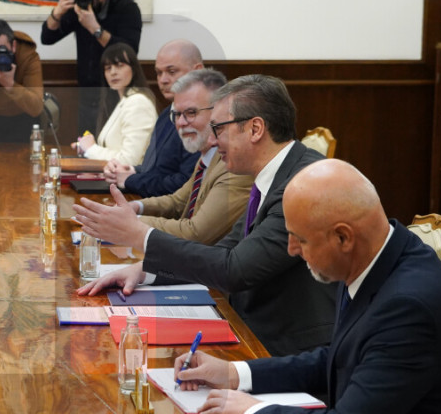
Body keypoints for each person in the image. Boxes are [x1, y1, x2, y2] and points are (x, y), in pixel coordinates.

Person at [175, 159, 441, 414]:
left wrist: (251, 410)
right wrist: (233, 373)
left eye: (300, 238)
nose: (291, 249)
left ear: (343, 237)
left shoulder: (408, 305)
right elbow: (338, 357)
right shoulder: (378, 257)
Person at [75, 75, 335, 357]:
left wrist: (141, 235)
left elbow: (235, 270)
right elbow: (224, 252)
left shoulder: (303, 183)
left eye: (218, 128)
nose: (212, 139)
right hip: (253, 328)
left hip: (287, 349)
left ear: (255, 129)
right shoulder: (271, 173)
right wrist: (146, 271)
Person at [130, 69, 253, 244]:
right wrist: (135, 207)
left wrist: (132, 222)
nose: (180, 123)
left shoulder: (235, 164)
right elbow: (177, 201)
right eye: (177, 114)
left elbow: (195, 232)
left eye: (191, 113)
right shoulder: (207, 156)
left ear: (218, 112)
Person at [41, 0, 142, 130]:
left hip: (118, 94)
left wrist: (95, 28)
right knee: (86, 144)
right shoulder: (79, 8)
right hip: (87, 95)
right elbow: (47, 38)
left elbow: (129, 51)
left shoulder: (126, 8)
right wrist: (57, 13)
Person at [103, 40, 204, 197]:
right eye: (158, 73)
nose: (163, 80)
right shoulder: (166, 114)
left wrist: (131, 180)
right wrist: (130, 170)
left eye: (171, 71)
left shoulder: (203, 119)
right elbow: (157, 169)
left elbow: (185, 184)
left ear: (197, 71)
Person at [70, 43, 156, 166]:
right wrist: (86, 148)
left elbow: (129, 160)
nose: (113, 72)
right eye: (108, 68)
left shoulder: (138, 102)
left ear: (134, 69)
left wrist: (91, 149)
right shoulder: (124, 101)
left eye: (119, 66)